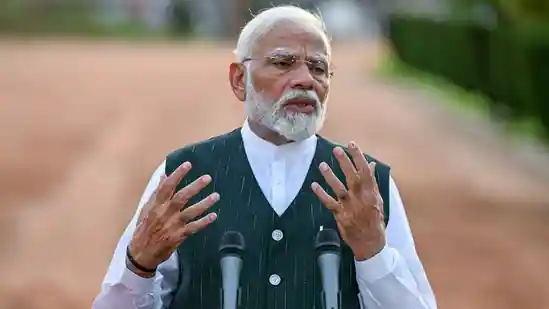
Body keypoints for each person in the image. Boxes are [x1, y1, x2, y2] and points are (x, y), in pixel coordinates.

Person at [91, 5, 437, 309]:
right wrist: (138, 266)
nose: (305, 79)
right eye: (283, 63)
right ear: (239, 79)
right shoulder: (184, 177)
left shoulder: (367, 186)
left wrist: (374, 255)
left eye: (318, 68)